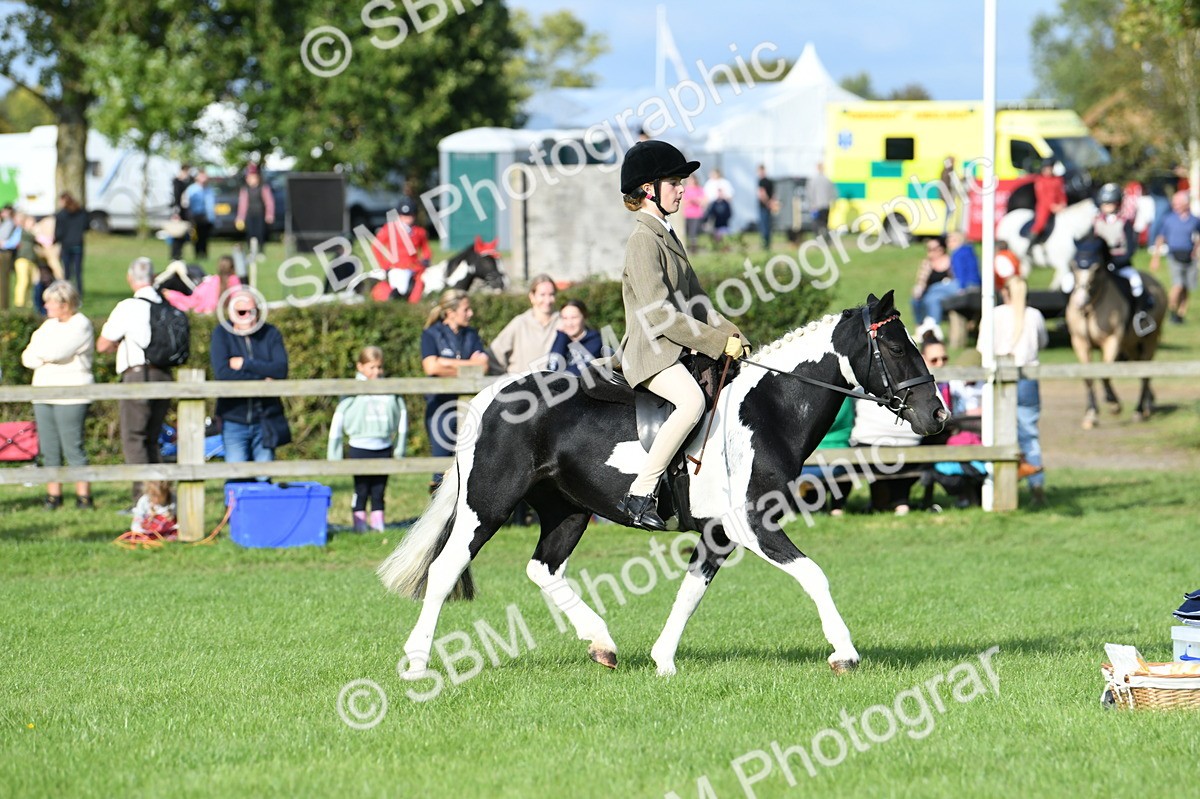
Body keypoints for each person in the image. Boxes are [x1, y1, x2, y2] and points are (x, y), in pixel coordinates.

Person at [614, 139, 746, 530]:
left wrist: (734, 333)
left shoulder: (667, 236)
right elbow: (660, 315)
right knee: (691, 403)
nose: (683, 189)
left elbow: (698, 301)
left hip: (673, 349)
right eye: (675, 182)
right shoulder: (642, 240)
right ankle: (641, 493)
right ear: (650, 189)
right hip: (651, 353)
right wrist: (717, 343)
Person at [96, 257, 174, 507]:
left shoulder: (128, 306)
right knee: (152, 439)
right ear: (152, 277)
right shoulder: (165, 304)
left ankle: (142, 500)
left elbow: (103, 344)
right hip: (164, 375)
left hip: (137, 375)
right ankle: (160, 497)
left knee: (134, 438)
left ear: (130, 278)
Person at [20, 280, 94, 510]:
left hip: (72, 395)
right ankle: (54, 496)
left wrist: (43, 354)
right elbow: (28, 357)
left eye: (50, 301)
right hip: (43, 393)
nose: (46, 305)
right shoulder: (48, 326)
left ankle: (84, 497)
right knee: (49, 449)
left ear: (65, 303)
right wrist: (44, 355)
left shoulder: (81, 324)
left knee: (73, 447)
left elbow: (57, 352)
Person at [328, 346, 408, 532]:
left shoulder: (390, 392)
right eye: (371, 367)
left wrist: (399, 447)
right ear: (360, 366)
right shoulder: (352, 391)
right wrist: (334, 451)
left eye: (379, 367)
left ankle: (378, 524)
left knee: (379, 489)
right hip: (359, 447)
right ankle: (359, 524)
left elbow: (402, 416)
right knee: (361, 488)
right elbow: (338, 419)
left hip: (384, 446)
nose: (376, 372)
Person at [985, 272, 1048, 506]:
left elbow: (984, 347)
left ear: (1005, 293)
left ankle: (999, 485)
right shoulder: (1035, 315)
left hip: (1000, 379)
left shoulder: (995, 315)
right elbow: (1042, 342)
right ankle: (1036, 481)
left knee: (996, 431)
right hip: (1028, 379)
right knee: (1029, 432)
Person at [211, 288, 290, 474]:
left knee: (264, 476)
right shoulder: (222, 334)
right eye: (241, 312)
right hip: (233, 418)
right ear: (231, 313)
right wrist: (262, 377)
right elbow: (223, 374)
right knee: (236, 474)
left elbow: (280, 369)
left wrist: (245, 363)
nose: (247, 316)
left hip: (265, 417)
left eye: (251, 311)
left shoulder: (270, 333)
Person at [420, 289, 489, 491]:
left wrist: (447, 363)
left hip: (468, 407)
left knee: (468, 460)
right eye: (466, 309)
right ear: (450, 311)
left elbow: (483, 366)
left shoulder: (471, 334)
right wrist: (468, 365)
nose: (471, 313)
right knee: (441, 464)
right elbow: (431, 367)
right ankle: (438, 518)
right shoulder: (431, 334)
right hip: (439, 406)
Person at [1093, 182, 1154, 335]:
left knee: (1136, 283)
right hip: (1100, 266)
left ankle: (1141, 315)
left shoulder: (1124, 222)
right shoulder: (1096, 222)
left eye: (1110, 203)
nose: (1107, 206)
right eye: (1105, 203)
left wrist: (1117, 262)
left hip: (1121, 265)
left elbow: (1131, 247)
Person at [489, 274, 560, 374]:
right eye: (542, 295)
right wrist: (505, 379)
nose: (547, 300)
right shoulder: (520, 323)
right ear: (532, 296)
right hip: (522, 387)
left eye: (551, 294)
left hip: (554, 388)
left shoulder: (564, 322)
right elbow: (495, 353)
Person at [1150, 190, 1200, 325]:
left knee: (1186, 287)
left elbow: (1198, 236)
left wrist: (1196, 250)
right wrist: (1156, 257)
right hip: (1174, 255)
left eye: (1178, 203)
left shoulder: (1195, 220)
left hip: (1190, 257)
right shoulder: (1169, 219)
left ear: (1186, 204)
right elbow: (1161, 238)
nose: (1175, 205)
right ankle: (1171, 310)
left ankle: (1181, 314)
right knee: (1178, 285)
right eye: (1174, 203)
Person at [369, 197, 431, 302]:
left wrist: (426, 259)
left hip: (415, 267)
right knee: (399, 289)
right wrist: (384, 266)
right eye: (403, 216)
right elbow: (376, 246)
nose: (406, 219)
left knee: (423, 283)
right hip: (397, 267)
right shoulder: (389, 229)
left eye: (409, 216)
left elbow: (426, 249)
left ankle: (414, 304)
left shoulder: (420, 232)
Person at [159, 255, 241, 314]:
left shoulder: (209, 283)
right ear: (234, 268)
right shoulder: (237, 285)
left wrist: (172, 295)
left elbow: (191, 302)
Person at [548, 299, 608, 376]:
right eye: (565, 318)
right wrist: (561, 336)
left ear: (584, 317)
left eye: (574, 317)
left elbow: (576, 373)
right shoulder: (561, 339)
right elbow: (551, 370)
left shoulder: (595, 341)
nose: (569, 323)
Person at [911, 236, 957, 325]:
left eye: (934, 249)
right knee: (915, 300)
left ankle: (934, 328)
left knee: (932, 300)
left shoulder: (951, 262)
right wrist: (918, 290)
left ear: (942, 248)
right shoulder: (927, 263)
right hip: (928, 291)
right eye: (929, 249)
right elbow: (921, 281)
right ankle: (920, 327)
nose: (931, 252)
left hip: (945, 294)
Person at [236, 164, 275, 259]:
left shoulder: (263, 188)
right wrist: (240, 217)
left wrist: (269, 214)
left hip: (260, 214)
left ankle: (261, 251)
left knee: (260, 233)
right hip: (250, 214)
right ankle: (251, 251)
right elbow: (242, 205)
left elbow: (269, 202)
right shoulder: (245, 189)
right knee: (250, 233)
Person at [54, 193, 88, 297]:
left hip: (67, 246)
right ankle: (79, 294)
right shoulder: (81, 213)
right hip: (78, 245)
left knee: (67, 272)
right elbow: (86, 226)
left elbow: (59, 232)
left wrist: (55, 240)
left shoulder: (61, 215)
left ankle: (67, 294)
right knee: (78, 272)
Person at [1029, 158, 1066, 245]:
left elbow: (1061, 194)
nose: (1048, 170)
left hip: (1058, 206)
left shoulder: (1058, 180)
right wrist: (1052, 206)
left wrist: (1062, 204)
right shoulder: (1040, 180)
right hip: (1044, 207)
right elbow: (1042, 197)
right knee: (1040, 223)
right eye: (1046, 168)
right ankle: (1030, 245)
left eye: (1050, 168)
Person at [182, 170, 215, 260]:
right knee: (196, 237)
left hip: (206, 216)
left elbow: (211, 204)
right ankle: (197, 254)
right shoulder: (191, 189)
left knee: (204, 237)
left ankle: (204, 255)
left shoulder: (209, 189)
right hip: (195, 216)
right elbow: (186, 203)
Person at [12, 212, 39, 309]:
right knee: (23, 281)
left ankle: (28, 303)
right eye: (31, 222)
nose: (33, 224)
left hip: (31, 260)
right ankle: (19, 303)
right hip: (22, 260)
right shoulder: (22, 231)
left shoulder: (31, 232)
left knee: (30, 283)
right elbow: (13, 241)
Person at [168, 164, 193, 261]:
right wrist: (176, 213)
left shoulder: (184, 182)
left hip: (183, 212)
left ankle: (179, 254)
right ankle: (175, 255)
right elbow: (176, 199)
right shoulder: (177, 182)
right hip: (178, 212)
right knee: (176, 234)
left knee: (182, 235)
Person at [808, 161, 837, 241]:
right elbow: (833, 193)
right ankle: (826, 239)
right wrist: (833, 202)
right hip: (826, 205)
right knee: (825, 223)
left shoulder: (813, 180)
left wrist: (811, 204)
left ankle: (819, 238)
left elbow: (810, 193)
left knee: (817, 223)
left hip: (816, 206)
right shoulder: (828, 180)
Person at [681, 175, 707, 251]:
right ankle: (687, 246)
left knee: (694, 232)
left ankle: (693, 247)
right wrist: (689, 201)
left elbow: (704, 201)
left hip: (696, 214)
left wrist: (695, 200)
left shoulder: (699, 189)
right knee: (687, 231)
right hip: (687, 214)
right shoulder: (684, 189)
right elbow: (682, 202)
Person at [756, 164, 775, 249]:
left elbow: (762, 193)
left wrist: (767, 202)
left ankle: (765, 244)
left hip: (764, 206)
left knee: (764, 226)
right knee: (768, 225)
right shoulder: (770, 181)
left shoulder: (761, 181)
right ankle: (768, 243)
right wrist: (771, 203)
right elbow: (773, 194)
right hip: (769, 206)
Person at [939, 156, 960, 234]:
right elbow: (946, 185)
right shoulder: (947, 171)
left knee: (949, 214)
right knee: (948, 214)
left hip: (949, 196)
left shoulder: (947, 171)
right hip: (948, 197)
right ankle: (944, 231)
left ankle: (946, 230)